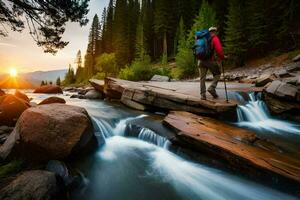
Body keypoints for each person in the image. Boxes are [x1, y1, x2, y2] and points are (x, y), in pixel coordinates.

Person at [198, 27, 224, 100]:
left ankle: (203, 95)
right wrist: (222, 57)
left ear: (209, 32)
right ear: (215, 31)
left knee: (202, 78)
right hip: (209, 60)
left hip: (200, 60)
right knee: (217, 74)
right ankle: (212, 88)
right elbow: (219, 50)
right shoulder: (215, 38)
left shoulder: (202, 38)